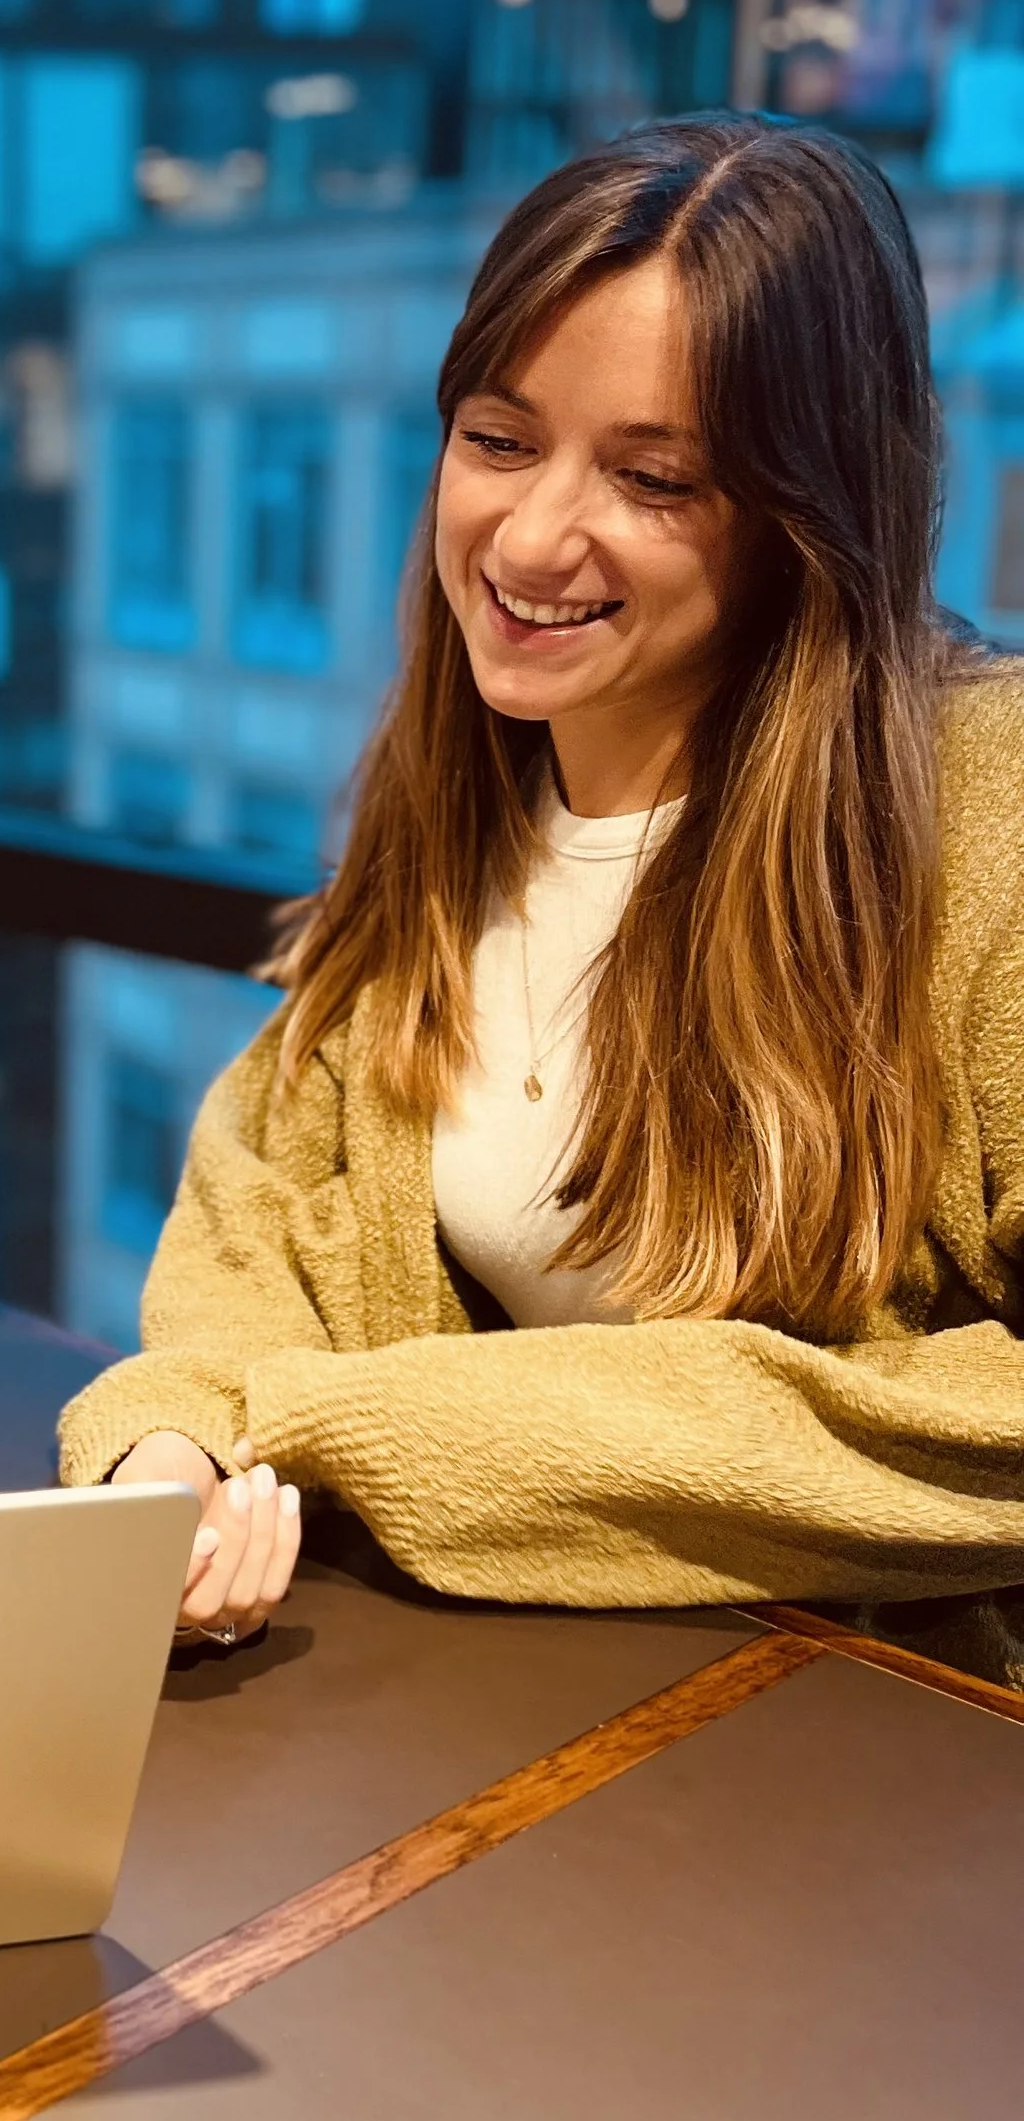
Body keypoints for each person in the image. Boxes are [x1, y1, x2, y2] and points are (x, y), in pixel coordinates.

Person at [64, 112, 1024, 1659]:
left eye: (651, 477)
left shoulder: (990, 812)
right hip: (511, 1706)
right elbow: (263, 1207)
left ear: (806, 519)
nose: (529, 534)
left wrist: (339, 1428)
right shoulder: (462, 798)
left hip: (896, 1761)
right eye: (498, 439)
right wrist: (170, 1451)